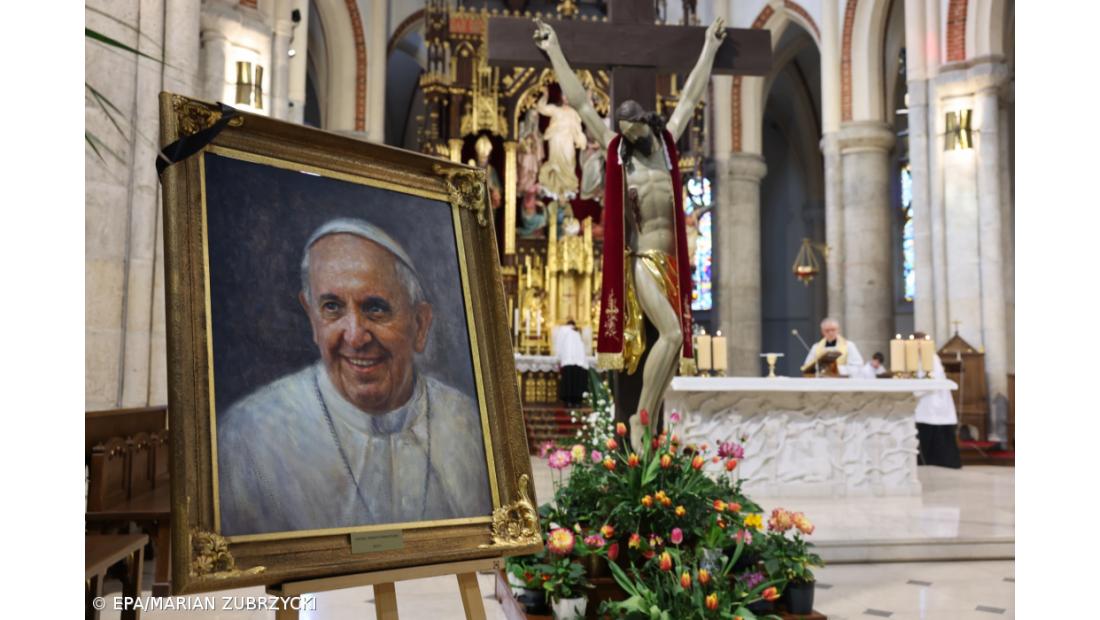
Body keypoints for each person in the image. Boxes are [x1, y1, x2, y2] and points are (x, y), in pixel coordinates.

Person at [217, 218, 492, 536]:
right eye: (332, 307)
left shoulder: (469, 424)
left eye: (376, 308)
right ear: (311, 318)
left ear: (420, 324)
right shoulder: (248, 437)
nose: (355, 336)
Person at [533, 16, 725, 444]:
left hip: (673, 260)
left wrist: (710, 48)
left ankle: (650, 418)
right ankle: (642, 418)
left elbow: (691, 95)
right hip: (641, 260)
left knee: (672, 345)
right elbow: (583, 104)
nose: (623, 137)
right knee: (673, 334)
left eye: (630, 129)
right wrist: (555, 51)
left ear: (643, 124)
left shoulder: (669, 145)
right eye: (620, 131)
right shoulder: (620, 153)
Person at [913, 332, 962, 468]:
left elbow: (934, 378)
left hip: (934, 399)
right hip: (924, 401)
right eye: (916, 342)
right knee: (924, 428)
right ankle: (925, 460)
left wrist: (914, 392)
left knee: (934, 427)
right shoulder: (914, 358)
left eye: (921, 342)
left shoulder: (932, 357)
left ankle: (943, 461)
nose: (919, 345)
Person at [536, 92, 587, 199]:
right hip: (556, 139)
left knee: (568, 161)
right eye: (565, 95)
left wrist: (580, 139)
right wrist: (545, 96)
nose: (567, 98)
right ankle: (555, 186)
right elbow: (541, 108)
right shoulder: (556, 110)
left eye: (568, 96)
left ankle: (567, 186)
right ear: (562, 97)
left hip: (568, 140)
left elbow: (577, 127)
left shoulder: (574, 112)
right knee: (555, 161)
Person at [800, 317, 865, 377]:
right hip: (821, 382)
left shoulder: (848, 345)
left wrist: (836, 369)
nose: (830, 333)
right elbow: (807, 366)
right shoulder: (816, 347)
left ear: (838, 330)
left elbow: (857, 366)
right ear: (822, 332)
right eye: (827, 330)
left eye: (833, 330)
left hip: (842, 382)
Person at [554, 320, 589, 406]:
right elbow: (582, 347)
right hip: (578, 360)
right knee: (577, 381)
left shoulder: (562, 331)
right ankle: (577, 401)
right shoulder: (577, 332)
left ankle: (568, 401)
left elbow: (559, 345)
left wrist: (558, 358)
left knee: (568, 381)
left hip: (567, 360)